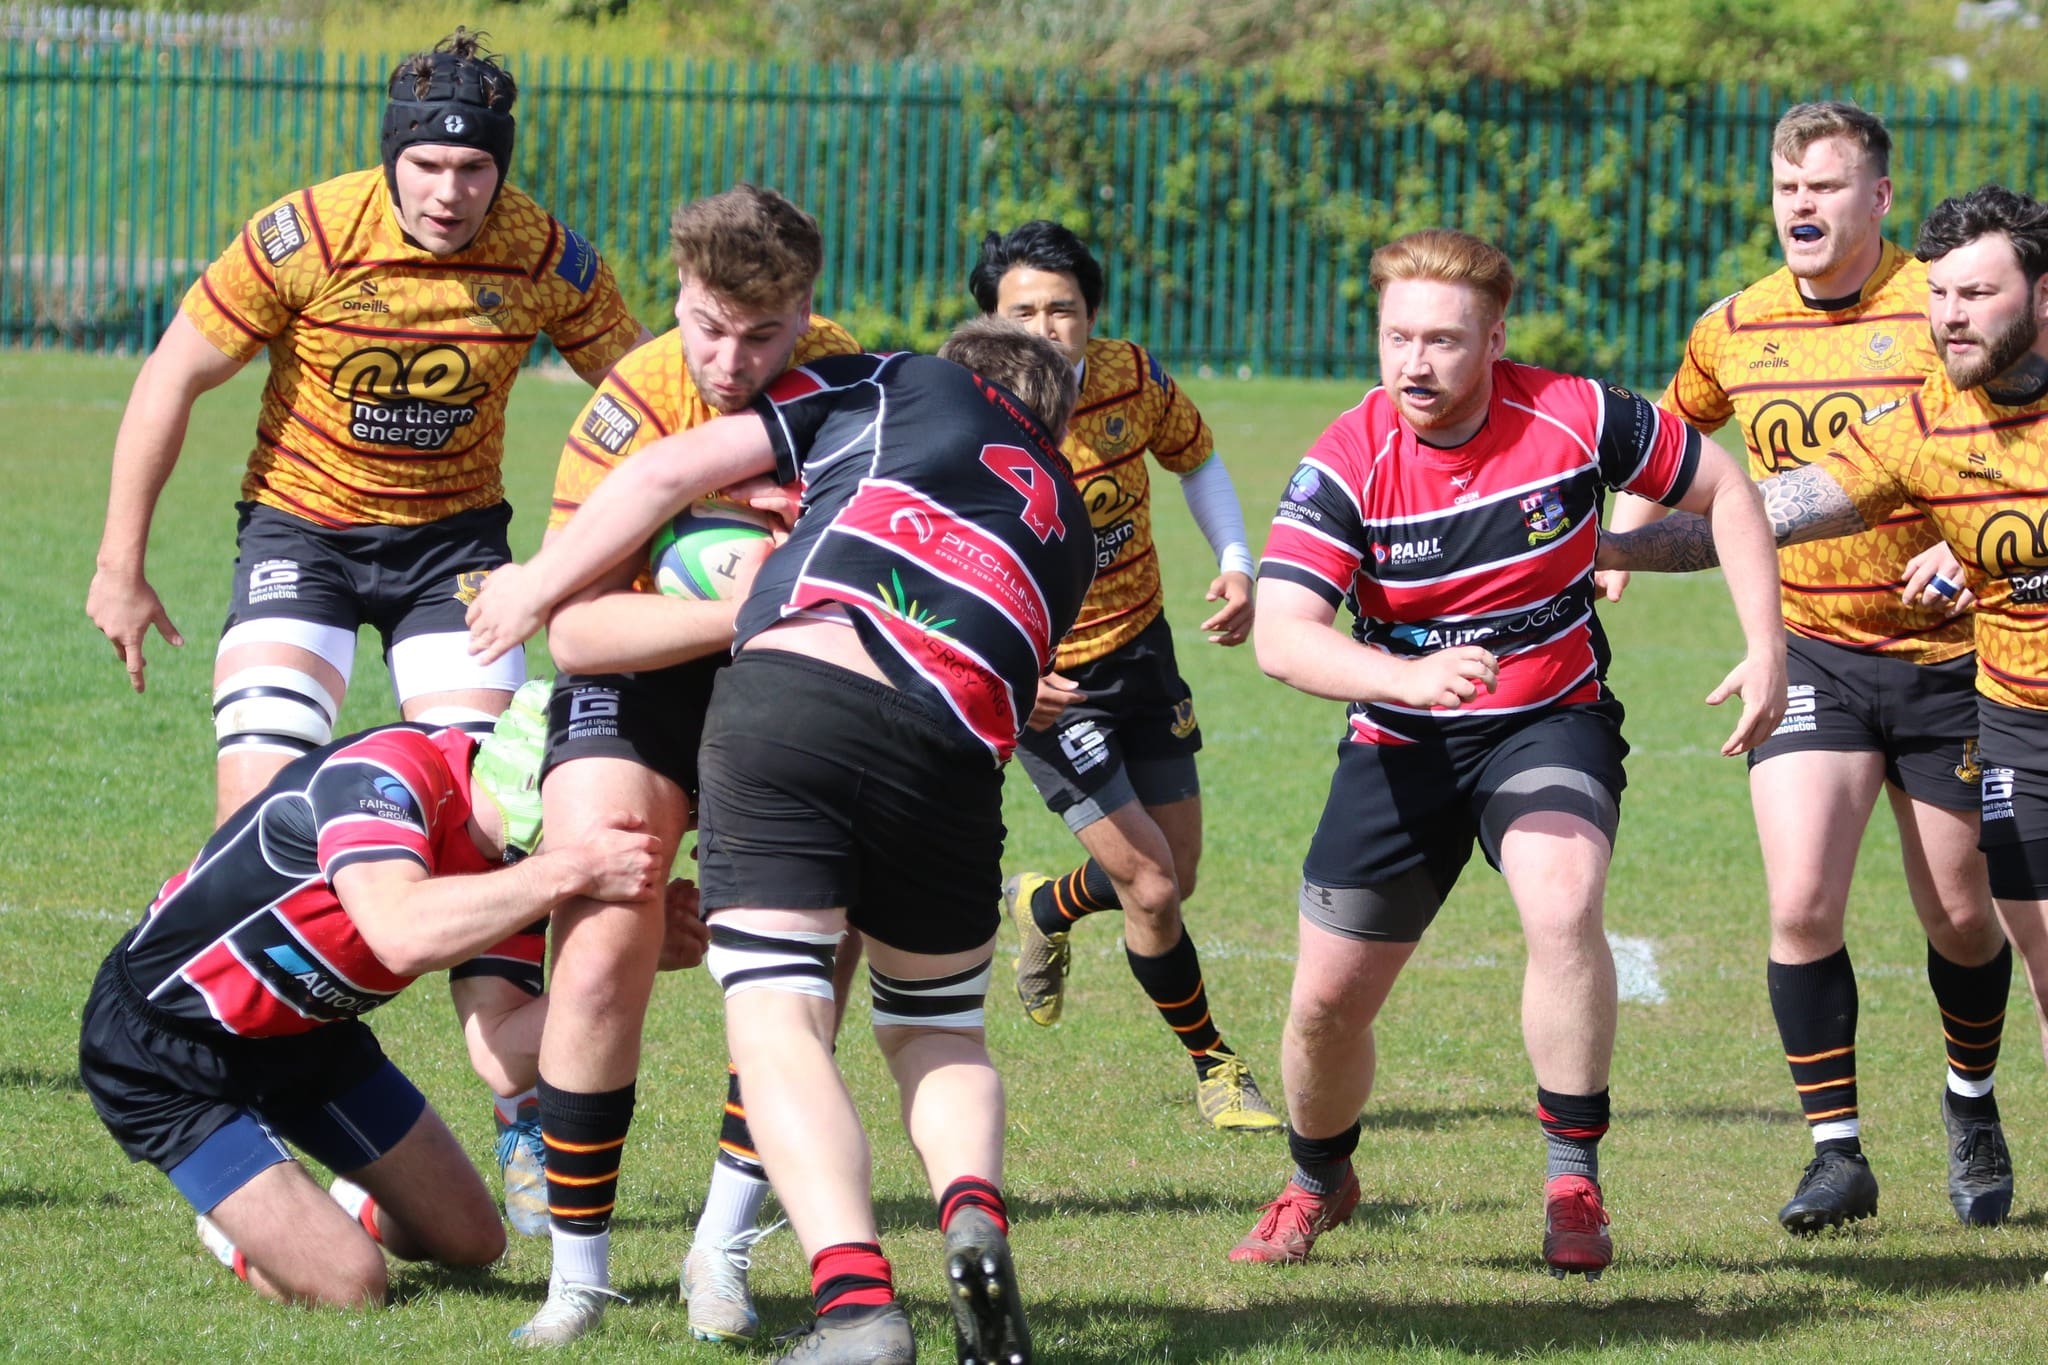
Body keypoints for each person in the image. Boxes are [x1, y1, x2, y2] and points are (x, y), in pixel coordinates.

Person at [80, 29, 651, 1236]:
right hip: (302, 534)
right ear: (393, 159)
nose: (450, 191)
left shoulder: (545, 254)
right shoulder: (307, 235)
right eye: (428, 166)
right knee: (260, 825)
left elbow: (650, 402)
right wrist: (119, 564)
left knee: (495, 817)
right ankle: (248, 1113)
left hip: (455, 551)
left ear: (501, 170)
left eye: (474, 169)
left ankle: (521, 1116)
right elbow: (172, 375)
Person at [468, 317, 1093, 1365]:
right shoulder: (1069, 524)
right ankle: (972, 1213)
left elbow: (668, 467)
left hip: (800, 693)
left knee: (777, 1019)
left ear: (957, 371)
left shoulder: (898, 378)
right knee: (939, 1031)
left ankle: (857, 1309)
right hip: (953, 752)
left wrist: (532, 583)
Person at [1234, 228, 1786, 1278]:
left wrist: (1767, 648)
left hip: (1548, 715)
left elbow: (1725, 487)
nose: (1413, 364)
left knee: (1562, 897)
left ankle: (1571, 1179)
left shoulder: (1575, 414)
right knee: (1324, 1005)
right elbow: (1281, 636)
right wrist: (1404, 679)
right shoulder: (1345, 459)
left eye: (1442, 341)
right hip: (1400, 740)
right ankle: (1317, 1178)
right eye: (1396, 337)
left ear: (1494, 337)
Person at [1606, 101, 2021, 1235]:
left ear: (1876, 198)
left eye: (1825, 186)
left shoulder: (1941, 307)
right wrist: (1622, 543)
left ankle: (1970, 1103)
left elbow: (2011, 441)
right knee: (1798, 904)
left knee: (1960, 916)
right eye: (1788, 186)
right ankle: (1836, 1153)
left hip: (1950, 659)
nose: (1801, 205)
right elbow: (1668, 437)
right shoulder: (1735, 325)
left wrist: (1968, 539)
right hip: (1811, 653)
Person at [473, 185, 859, 1346]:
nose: (728, 362)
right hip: (649, 661)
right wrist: (742, 603)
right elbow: (578, 632)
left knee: (812, 943)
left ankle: (721, 1247)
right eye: (705, 326)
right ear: (679, 294)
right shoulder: (633, 399)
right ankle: (578, 1279)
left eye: (761, 335)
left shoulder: (849, 384)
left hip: (786, 680)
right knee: (605, 906)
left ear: (806, 310)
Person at [76, 681, 705, 1309]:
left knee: (474, 1242)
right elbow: (401, 933)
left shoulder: (521, 871)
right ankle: (239, 1230)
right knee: (354, 1287)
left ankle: (338, 1203)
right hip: (164, 1049)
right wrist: (573, 868)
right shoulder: (388, 774)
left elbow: (502, 1054)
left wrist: (628, 956)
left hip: (308, 1036)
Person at [969, 221, 1279, 1133]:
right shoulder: (962, 407)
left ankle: (1044, 903)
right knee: (1149, 885)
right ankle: (1216, 1064)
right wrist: (1010, 671)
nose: (1045, 328)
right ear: (989, 322)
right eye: (1022, 312)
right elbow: (932, 551)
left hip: (1142, 649)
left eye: (1063, 308)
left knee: (1179, 870)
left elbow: (1195, 456)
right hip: (1048, 683)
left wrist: (1236, 560)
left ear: (1093, 313)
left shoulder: (1130, 377)